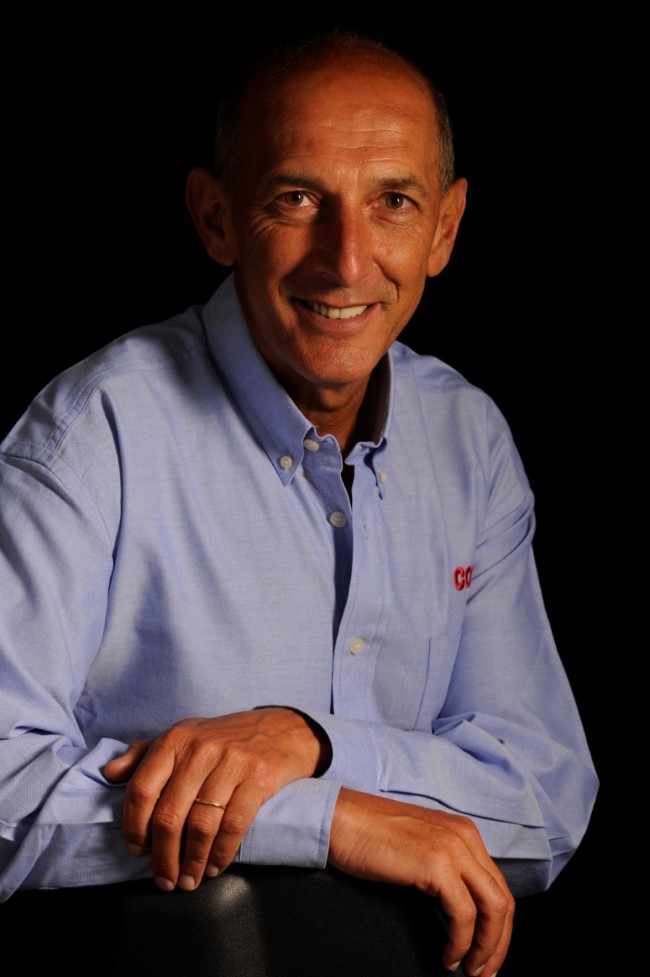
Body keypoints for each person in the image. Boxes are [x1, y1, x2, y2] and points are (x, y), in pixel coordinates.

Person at [0, 30, 598, 976]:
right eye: (297, 199)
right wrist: (331, 815)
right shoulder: (91, 436)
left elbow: (546, 796)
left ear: (444, 229)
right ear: (216, 218)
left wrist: (314, 744)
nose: (347, 260)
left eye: (393, 202)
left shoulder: (469, 440)